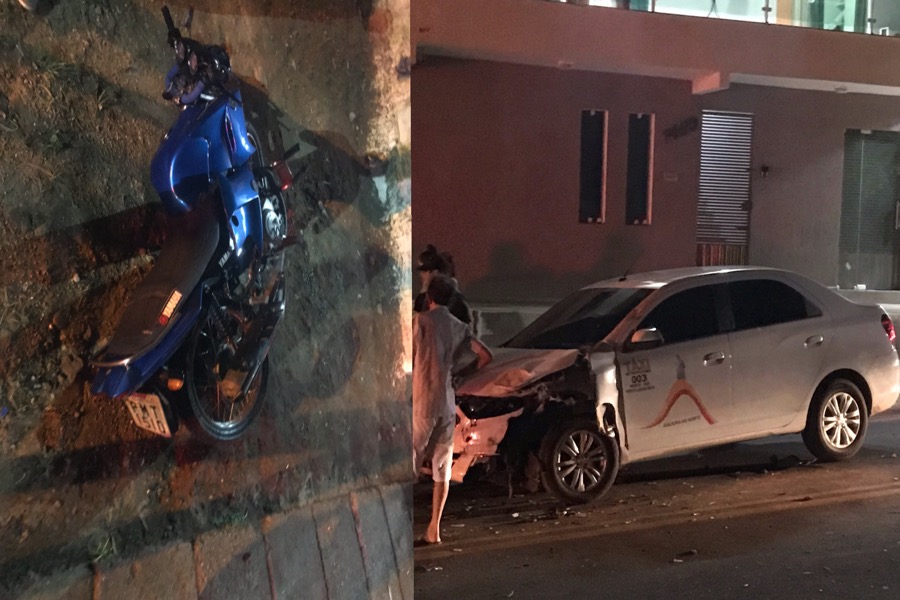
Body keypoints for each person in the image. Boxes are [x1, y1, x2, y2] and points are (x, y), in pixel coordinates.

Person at [413, 274, 492, 544]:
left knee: (409, 463)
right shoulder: (459, 326)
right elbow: (485, 356)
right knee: (442, 467)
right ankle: (434, 527)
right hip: (446, 401)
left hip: (421, 400)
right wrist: (459, 375)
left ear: (429, 297)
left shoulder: (420, 322)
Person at [414, 244, 472, 327]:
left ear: (434, 272)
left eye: (424, 271)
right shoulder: (430, 296)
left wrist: (425, 287)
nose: (421, 275)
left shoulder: (445, 298)